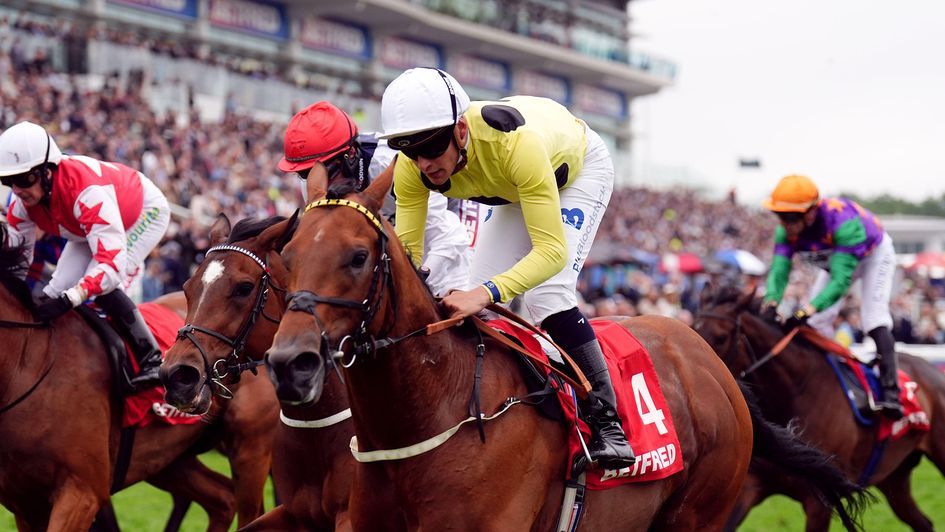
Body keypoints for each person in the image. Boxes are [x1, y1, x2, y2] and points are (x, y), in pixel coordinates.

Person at [379, 67, 634, 469]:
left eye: (431, 147)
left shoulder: (516, 145)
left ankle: (609, 424)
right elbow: (408, 256)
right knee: (477, 303)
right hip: (514, 187)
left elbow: (550, 252)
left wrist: (484, 292)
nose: (424, 163)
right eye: (411, 151)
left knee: (545, 295)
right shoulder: (411, 168)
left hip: (576, 170)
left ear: (461, 130)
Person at [0, 121, 170, 390]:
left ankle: (150, 359)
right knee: (54, 289)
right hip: (85, 226)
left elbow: (111, 266)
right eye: (8, 181)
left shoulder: (87, 193)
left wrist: (73, 298)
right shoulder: (21, 203)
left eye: (24, 180)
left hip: (142, 213)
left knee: (103, 286)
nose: (17, 190)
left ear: (47, 172)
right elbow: (17, 264)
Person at [277, 100, 473, 297]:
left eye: (325, 170)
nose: (317, 180)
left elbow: (444, 237)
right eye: (305, 174)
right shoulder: (313, 184)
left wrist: (418, 279)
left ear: (351, 155)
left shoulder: (392, 163)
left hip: (451, 223)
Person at [761, 174, 902, 419]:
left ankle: (892, 394)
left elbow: (840, 281)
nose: (785, 223)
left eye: (791, 217)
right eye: (780, 216)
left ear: (811, 212)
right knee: (815, 324)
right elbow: (779, 271)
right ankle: (831, 384)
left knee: (873, 318)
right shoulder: (785, 232)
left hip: (873, 256)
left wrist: (807, 309)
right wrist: (772, 301)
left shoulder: (841, 223)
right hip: (835, 260)